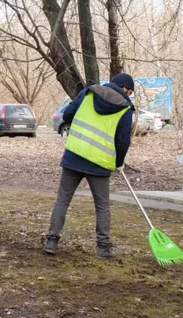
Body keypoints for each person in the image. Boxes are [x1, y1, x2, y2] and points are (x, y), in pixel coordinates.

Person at [43, 73, 136, 258]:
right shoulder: (125, 109)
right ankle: (102, 248)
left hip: (74, 156)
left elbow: (67, 114)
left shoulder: (88, 93)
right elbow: (123, 140)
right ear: (126, 89)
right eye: (131, 92)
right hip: (99, 164)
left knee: (63, 200)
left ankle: (51, 241)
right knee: (102, 206)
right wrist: (119, 162)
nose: (130, 96)